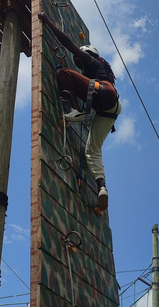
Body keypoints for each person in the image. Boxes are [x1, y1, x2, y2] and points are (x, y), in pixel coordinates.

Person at [39, 12, 122, 212]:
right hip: (110, 109)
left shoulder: (92, 62)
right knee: (92, 150)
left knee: (64, 73)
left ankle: (77, 111)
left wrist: (48, 20)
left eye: (79, 59)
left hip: (104, 93)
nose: (79, 62)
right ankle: (101, 187)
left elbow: (68, 43)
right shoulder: (96, 71)